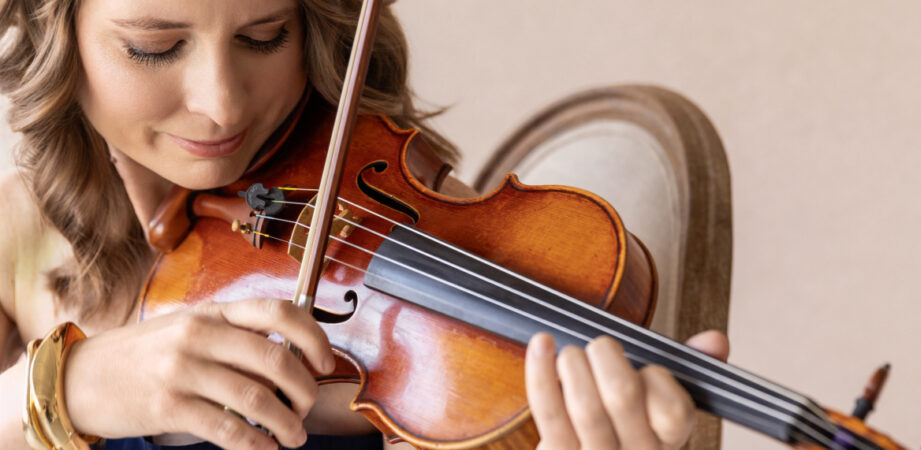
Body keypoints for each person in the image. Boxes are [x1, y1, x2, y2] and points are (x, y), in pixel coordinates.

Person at [0, 0, 729, 449]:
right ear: (53, 28)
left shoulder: (397, 222)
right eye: (155, 46)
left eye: (264, 36)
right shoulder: (13, 238)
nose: (221, 104)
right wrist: (66, 389)